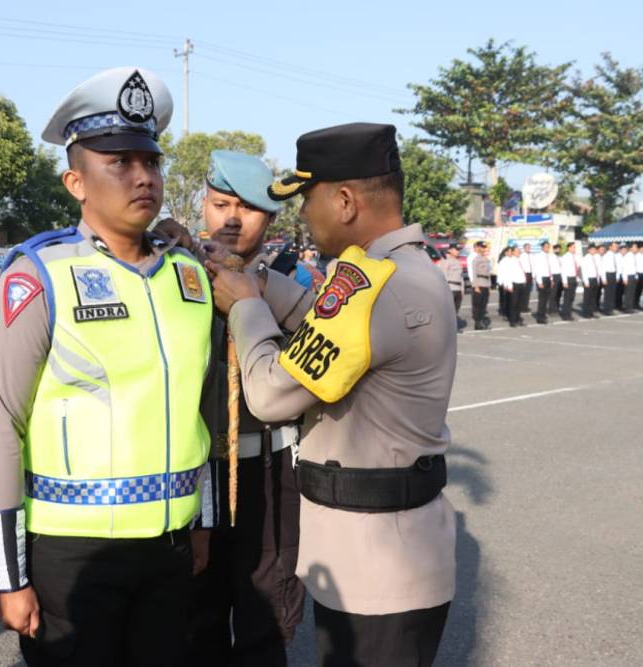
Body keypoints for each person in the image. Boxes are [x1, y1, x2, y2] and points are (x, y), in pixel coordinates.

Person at [0, 67, 215, 666]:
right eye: (119, 163)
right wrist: (10, 578)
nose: (143, 178)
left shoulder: (189, 277)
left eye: (151, 162)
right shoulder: (39, 276)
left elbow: (199, 407)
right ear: (75, 181)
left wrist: (203, 521)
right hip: (74, 558)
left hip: (172, 546)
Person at [208, 122, 456, 667]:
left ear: (344, 201)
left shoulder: (376, 287)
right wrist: (253, 280)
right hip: (380, 555)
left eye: (307, 200)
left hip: (378, 567)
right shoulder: (398, 270)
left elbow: (272, 396)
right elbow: (322, 327)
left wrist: (245, 307)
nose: (302, 215)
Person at [189, 149, 306, 666]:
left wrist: (255, 294)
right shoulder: (174, 271)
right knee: (195, 617)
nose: (232, 219)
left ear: (272, 218)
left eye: (249, 209)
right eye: (219, 204)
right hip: (193, 469)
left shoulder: (293, 287)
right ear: (203, 206)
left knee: (265, 616)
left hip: (267, 467)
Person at [499, 245, 527, 327]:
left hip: (521, 283)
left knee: (519, 303)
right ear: (513, 252)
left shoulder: (519, 260)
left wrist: (524, 281)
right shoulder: (510, 261)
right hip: (514, 284)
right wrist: (509, 285)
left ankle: (518, 319)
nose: (519, 252)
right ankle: (513, 320)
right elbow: (508, 274)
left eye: (519, 251)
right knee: (513, 304)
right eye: (517, 251)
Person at [440, 243, 464, 331]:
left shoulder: (457, 261)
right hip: (450, 287)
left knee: (455, 310)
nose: (458, 251)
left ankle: (453, 327)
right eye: (455, 249)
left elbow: (460, 277)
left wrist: (462, 289)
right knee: (449, 310)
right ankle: (447, 328)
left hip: (458, 288)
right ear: (450, 250)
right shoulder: (446, 260)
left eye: (458, 250)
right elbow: (443, 276)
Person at [470, 241, 492, 330]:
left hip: (485, 283)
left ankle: (481, 321)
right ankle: (477, 323)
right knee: (478, 305)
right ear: (478, 248)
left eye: (485, 247)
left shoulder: (486, 259)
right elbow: (474, 273)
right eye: (483, 247)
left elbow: (488, 273)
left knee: (484, 304)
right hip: (479, 283)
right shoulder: (476, 259)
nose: (484, 249)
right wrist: (476, 286)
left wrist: (489, 286)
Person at [531, 241, 552, 324]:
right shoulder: (538, 256)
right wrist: (539, 282)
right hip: (542, 279)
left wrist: (551, 279)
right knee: (542, 299)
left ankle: (543, 315)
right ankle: (540, 317)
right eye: (546, 247)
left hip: (548, 278)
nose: (547, 248)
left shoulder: (549, 256)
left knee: (546, 299)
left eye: (548, 247)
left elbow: (550, 268)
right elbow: (537, 270)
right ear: (542, 247)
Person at [559, 241, 579, 321]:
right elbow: (563, 270)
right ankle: (565, 315)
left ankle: (569, 313)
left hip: (574, 278)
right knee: (567, 298)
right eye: (573, 247)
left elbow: (576, 269)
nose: (575, 249)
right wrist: (565, 282)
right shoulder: (565, 257)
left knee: (571, 298)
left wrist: (577, 278)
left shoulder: (574, 257)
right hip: (568, 279)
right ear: (569, 248)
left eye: (575, 247)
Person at [580, 244, 601, 319]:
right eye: (592, 249)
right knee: (587, 297)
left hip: (595, 279)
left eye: (594, 249)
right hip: (589, 279)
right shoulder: (585, 259)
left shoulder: (596, 258)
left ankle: (591, 312)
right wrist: (586, 281)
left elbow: (598, 269)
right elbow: (584, 271)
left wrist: (598, 279)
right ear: (588, 250)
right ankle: (585, 313)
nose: (594, 251)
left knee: (593, 297)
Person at [600, 241, 619, 315]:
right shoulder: (606, 256)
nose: (616, 248)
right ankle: (607, 309)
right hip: (608, 275)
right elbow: (603, 268)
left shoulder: (615, 255)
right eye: (614, 246)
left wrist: (616, 276)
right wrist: (604, 279)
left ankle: (611, 308)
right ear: (610, 247)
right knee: (608, 293)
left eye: (616, 246)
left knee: (612, 293)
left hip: (613, 274)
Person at [620, 243, 638, 313]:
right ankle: (627, 307)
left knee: (632, 293)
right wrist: (625, 278)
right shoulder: (627, 256)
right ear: (630, 248)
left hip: (633, 276)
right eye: (635, 247)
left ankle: (630, 307)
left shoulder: (633, 256)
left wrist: (635, 276)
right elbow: (624, 268)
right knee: (628, 293)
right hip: (628, 276)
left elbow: (634, 267)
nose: (636, 248)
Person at [548, 243, 563, 316]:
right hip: (554, 275)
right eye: (557, 249)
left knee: (558, 293)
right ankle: (551, 310)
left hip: (560, 276)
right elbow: (549, 268)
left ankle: (556, 308)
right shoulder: (551, 257)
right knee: (553, 294)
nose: (558, 250)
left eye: (559, 249)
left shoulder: (560, 257)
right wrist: (551, 279)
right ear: (554, 249)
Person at [519, 242, 533, 312]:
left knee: (528, 291)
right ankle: (521, 306)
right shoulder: (522, 256)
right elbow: (521, 267)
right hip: (525, 274)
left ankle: (525, 306)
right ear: (524, 248)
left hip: (530, 274)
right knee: (524, 291)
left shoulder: (531, 256)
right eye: (527, 247)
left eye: (529, 247)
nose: (529, 249)